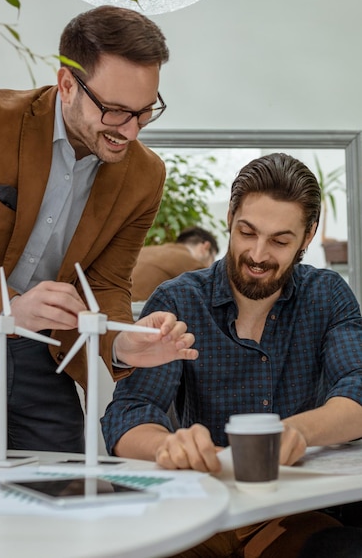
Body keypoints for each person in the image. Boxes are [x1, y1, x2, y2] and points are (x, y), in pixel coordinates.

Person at [0, 5, 197, 454]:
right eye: (117, 111)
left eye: (145, 112)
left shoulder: (144, 175)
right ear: (66, 85)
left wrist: (122, 342)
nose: (132, 132)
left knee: (63, 499)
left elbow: (106, 283)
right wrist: (9, 306)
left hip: (49, 359)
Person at [102, 152, 362, 557]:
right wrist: (165, 447)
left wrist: (296, 433)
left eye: (280, 240)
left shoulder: (327, 296)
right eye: (247, 232)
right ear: (229, 217)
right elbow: (130, 412)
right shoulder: (178, 300)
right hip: (201, 511)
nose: (258, 254)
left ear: (308, 236)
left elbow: (357, 392)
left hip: (294, 513)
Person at [131, 226, 219, 301]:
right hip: (135, 315)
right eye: (212, 259)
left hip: (122, 306)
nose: (209, 266)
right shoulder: (191, 263)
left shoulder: (148, 250)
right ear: (205, 247)